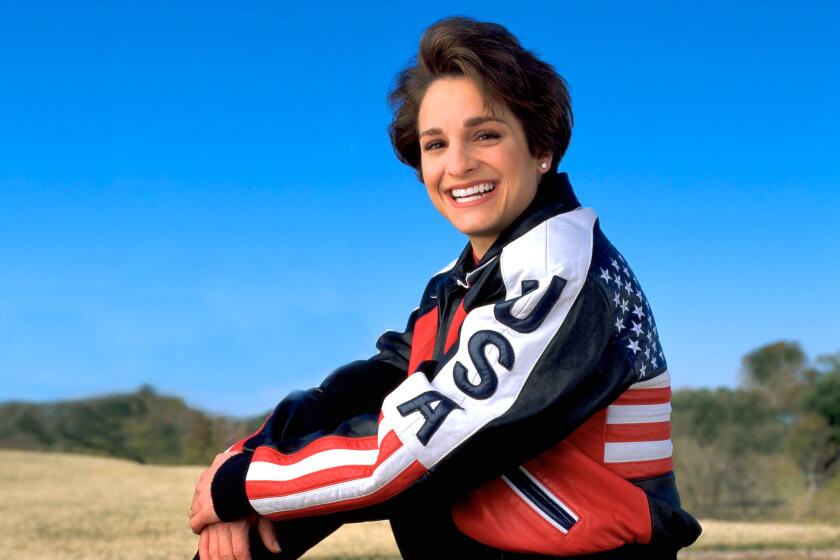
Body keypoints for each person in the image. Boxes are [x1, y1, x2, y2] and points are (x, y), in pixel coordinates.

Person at [189, 17, 701, 560]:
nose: (457, 164)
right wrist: (252, 463)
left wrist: (243, 485)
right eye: (436, 144)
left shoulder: (563, 270)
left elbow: (414, 450)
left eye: (486, 134)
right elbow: (381, 384)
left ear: (541, 147)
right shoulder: (461, 280)